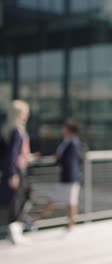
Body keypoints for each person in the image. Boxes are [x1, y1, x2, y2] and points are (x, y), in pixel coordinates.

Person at [35, 119, 82, 232]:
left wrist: (59, 159)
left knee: (70, 203)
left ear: (69, 129)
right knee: (55, 199)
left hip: (70, 178)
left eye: (64, 127)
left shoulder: (73, 142)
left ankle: (70, 226)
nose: (62, 129)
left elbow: (69, 159)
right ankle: (37, 222)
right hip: (65, 177)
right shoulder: (67, 141)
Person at [0, 100, 32, 244]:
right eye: (25, 112)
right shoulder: (17, 131)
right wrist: (13, 173)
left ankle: (14, 232)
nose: (27, 115)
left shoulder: (9, 129)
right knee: (18, 200)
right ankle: (14, 233)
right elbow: (12, 154)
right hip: (16, 170)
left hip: (13, 169)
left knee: (18, 199)